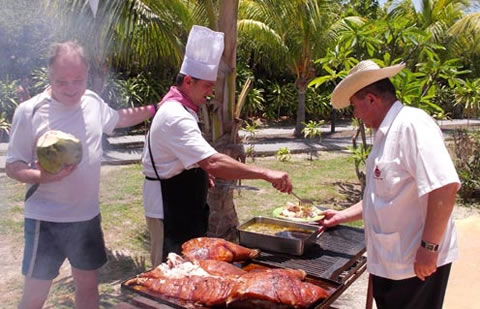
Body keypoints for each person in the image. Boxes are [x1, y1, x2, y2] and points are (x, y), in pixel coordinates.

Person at [5, 41, 159, 309]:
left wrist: (156, 108)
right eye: (61, 82)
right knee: (34, 295)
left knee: (88, 287)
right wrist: (42, 176)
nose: (71, 89)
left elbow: (119, 118)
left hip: (86, 217)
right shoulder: (29, 111)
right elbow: (13, 166)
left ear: (87, 74)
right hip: (46, 219)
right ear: (49, 75)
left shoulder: (91, 101)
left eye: (78, 80)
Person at [142, 25, 293, 267]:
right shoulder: (175, 115)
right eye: (207, 86)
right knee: (170, 275)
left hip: (183, 203)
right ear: (189, 81)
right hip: (169, 209)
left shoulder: (182, 109)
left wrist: (197, 172)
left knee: (189, 272)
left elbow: (187, 157)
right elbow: (212, 160)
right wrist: (266, 173)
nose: (211, 93)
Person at [322, 60, 460, 309]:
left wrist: (429, 248)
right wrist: (340, 216)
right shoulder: (385, 134)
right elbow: (382, 195)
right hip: (393, 261)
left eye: (355, 106)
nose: (355, 115)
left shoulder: (412, 124)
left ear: (371, 99)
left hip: (415, 265)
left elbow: (445, 186)